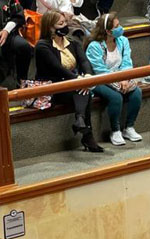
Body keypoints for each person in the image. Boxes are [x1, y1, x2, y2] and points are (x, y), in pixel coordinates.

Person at [35, 10, 102, 152]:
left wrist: (88, 76)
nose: (65, 26)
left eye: (65, 22)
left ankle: (80, 121)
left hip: (71, 84)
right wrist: (78, 80)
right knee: (83, 90)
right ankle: (86, 134)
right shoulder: (42, 46)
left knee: (83, 90)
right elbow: (57, 68)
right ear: (50, 27)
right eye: (60, 23)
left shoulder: (73, 42)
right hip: (51, 87)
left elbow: (84, 61)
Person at [85, 12, 142, 146]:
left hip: (121, 77)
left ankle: (129, 127)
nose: (120, 28)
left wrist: (125, 78)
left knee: (137, 92)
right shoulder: (94, 46)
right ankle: (115, 130)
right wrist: (118, 80)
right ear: (108, 31)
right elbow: (100, 70)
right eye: (116, 26)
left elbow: (127, 62)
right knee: (116, 97)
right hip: (100, 79)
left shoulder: (123, 41)